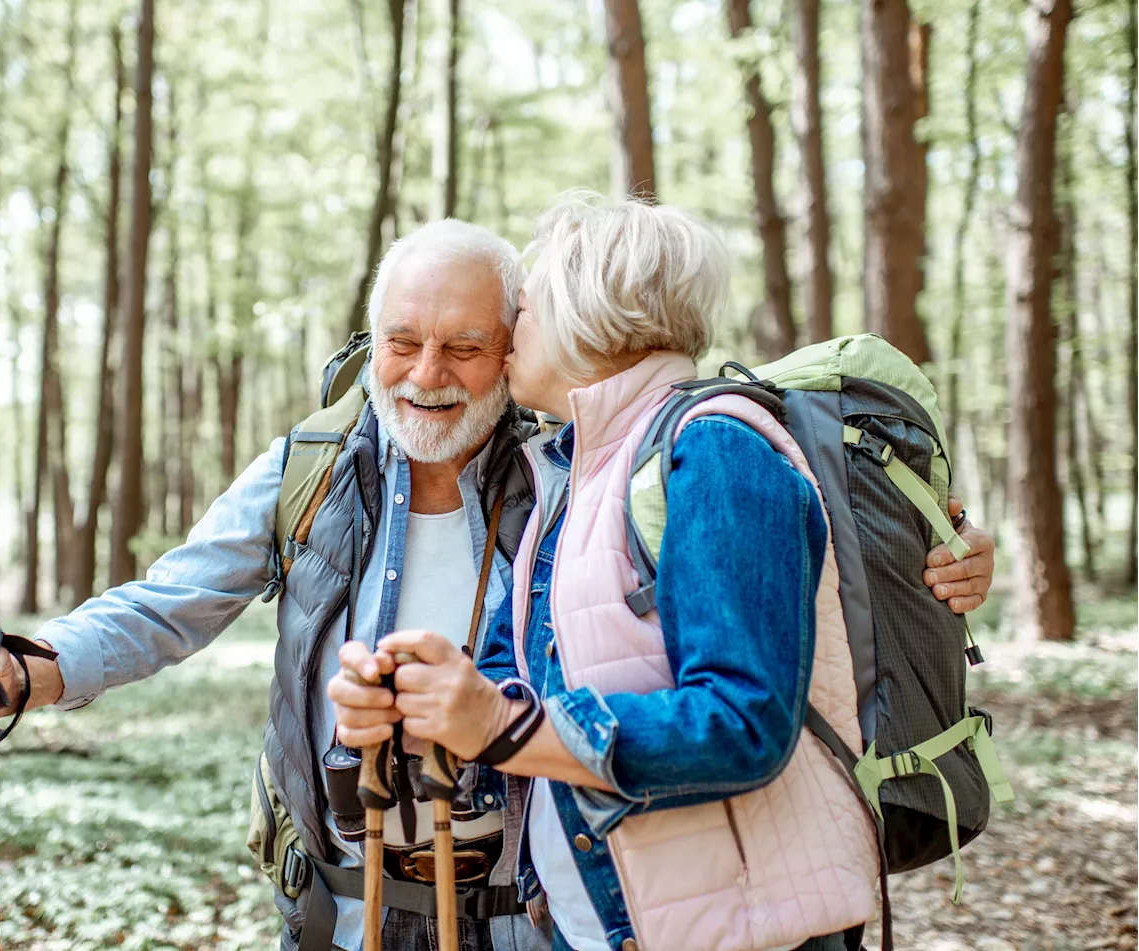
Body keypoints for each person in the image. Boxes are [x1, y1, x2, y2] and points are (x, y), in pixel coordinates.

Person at [0, 214, 993, 951]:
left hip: (541, 905)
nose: (425, 375)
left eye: (464, 347)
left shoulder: (577, 469)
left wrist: (932, 559)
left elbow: (738, 592)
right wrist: (35, 670)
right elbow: (166, 602)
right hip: (348, 903)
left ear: (519, 344)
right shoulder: (314, 473)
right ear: (369, 343)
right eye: (401, 343)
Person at [328, 194, 992, 951]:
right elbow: (513, 679)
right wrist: (415, 703)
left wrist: (498, 722)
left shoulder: (714, 451)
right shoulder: (574, 469)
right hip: (611, 926)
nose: (512, 333)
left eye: (529, 308)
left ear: (591, 315)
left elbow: (742, 722)